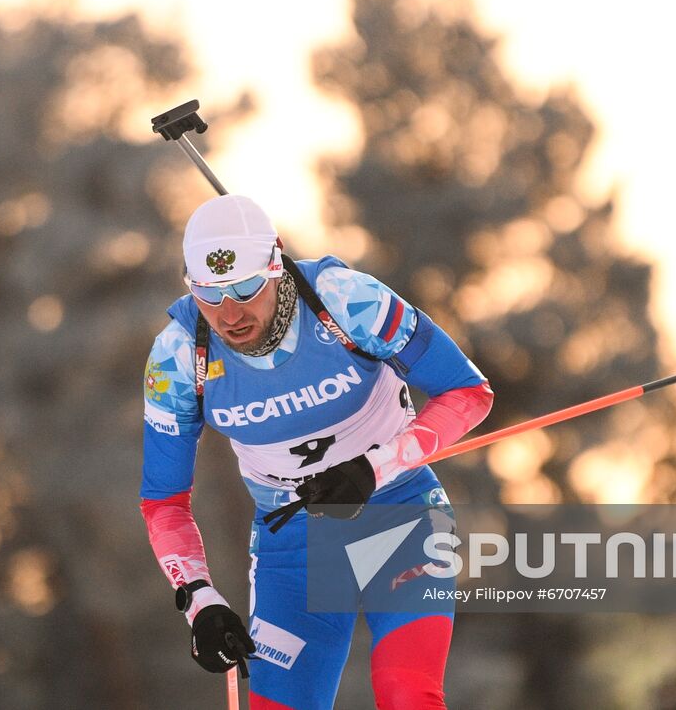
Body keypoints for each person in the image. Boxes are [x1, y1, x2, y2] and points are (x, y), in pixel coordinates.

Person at [139, 194, 494, 710]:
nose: (230, 313)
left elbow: (467, 393)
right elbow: (163, 503)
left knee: (406, 694)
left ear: (276, 265)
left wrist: (376, 468)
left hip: (398, 514)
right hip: (294, 546)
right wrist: (200, 601)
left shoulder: (347, 301)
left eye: (244, 287)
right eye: (209, 294)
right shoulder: (176, 358)